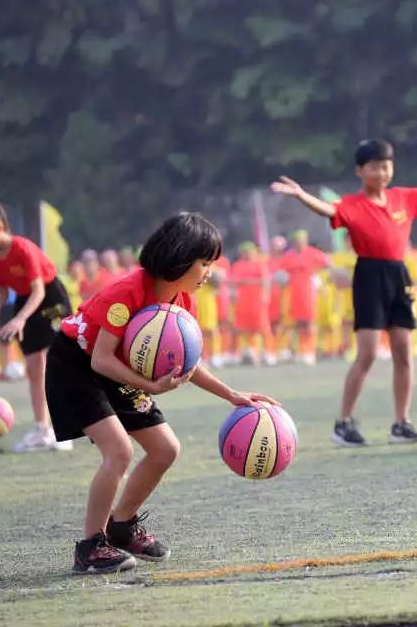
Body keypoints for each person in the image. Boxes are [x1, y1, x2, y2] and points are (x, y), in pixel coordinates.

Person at [50, 212, 278, 574]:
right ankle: (90, 546)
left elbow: (188, 363)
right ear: (180, 258)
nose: (209, 272)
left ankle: (121, 526)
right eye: (205, 263)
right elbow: (101, 359)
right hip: (76, 365)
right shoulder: (127, 294)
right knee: (119, 451)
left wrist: (232, 395)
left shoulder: (183, 302)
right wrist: (151, 386)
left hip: (114, 368)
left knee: (165, 449)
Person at [272, 139, 417, 446]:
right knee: (366, 354)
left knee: (404, 353)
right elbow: (328, 210)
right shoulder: (352, 204)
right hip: (369, 275)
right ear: (361, 171)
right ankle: (343, 423)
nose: (381, 172)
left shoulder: (402, 198)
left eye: (386, 166)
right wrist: (301, 196)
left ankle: (401, 423)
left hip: (398, 275)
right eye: (375, 167)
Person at [0, 199, 73, 452]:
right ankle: (42, 429)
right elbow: (2, 293)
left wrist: (20, 319)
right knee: (34, 370)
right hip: (26, 302)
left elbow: (38, 290)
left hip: (50, 298)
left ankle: (66, 429)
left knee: (58, 364)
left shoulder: (23, 248)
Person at [277, 230, 332, 365]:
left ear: (305, 240)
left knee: (309, 323)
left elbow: (328, 265)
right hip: (294, 294)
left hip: (310, 293)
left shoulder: (313, 253)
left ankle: (310, 351)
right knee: (298, 324)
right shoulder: (288, 257)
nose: (299, 243)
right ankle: (301, 351)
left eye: (301, 240)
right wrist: (282, 278)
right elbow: (280, 273)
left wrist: (320, 277)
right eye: (296, 241)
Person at [231, 242, 274, 366]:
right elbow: (235, 281)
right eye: (244, 252)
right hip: (243, 301)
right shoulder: (238, 265)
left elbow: (265, 281)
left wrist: (265, 296)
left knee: (263, 328)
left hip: (258, 300)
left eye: (249, 252)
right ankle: (251, 351)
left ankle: (268, 352)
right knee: (246, 329)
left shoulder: (260, 264)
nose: (247, 254)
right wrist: (251, 281)